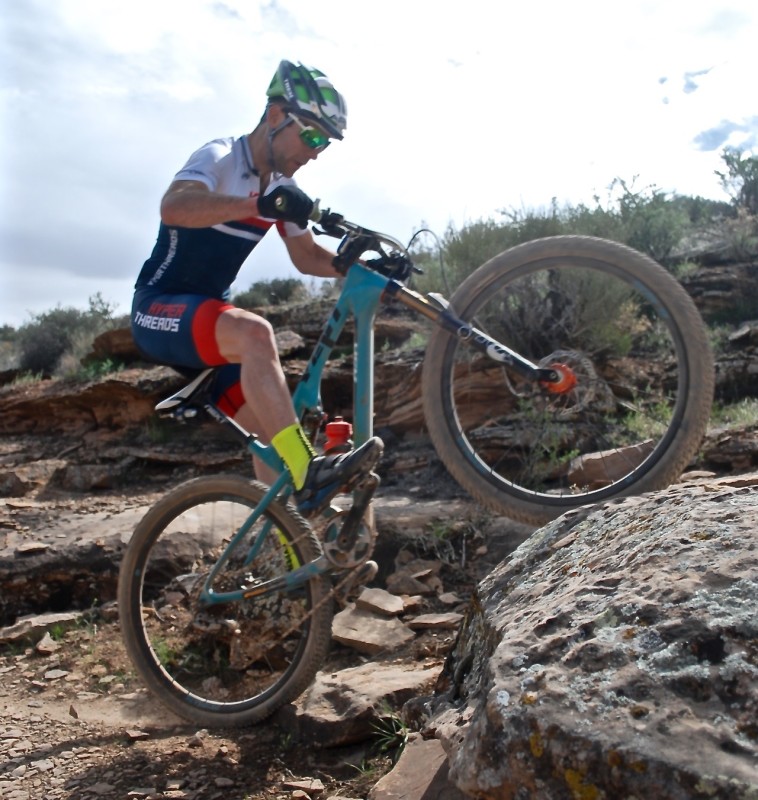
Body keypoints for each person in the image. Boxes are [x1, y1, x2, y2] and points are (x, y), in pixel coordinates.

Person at [131, 60, 382, 515]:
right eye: (310, 135)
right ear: (274, 116)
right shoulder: (220, 157)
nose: (316, 151)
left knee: (273, 442)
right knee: (255, 333)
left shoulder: (283, 189)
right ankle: (309, 472)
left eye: (324, 142)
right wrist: (254, 203)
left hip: (208, 322)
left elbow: (306, 257)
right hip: (158, 309)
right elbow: (174, 207)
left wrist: (359, 267)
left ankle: (288, 558)